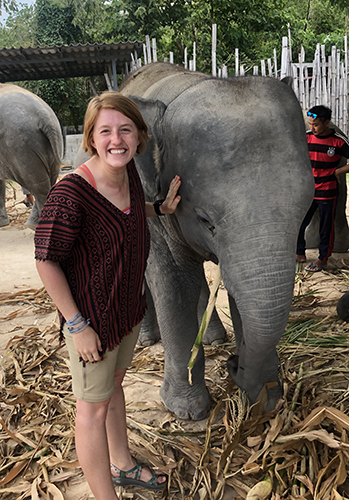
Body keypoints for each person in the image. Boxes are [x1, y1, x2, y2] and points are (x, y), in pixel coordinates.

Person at [34, 91, 181, 500]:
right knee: (91, 410)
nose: (116, 140)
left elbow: (128, 213)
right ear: (90, 139)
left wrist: (160, 208)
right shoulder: (71, 194)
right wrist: (77, 326)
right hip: (91, 324)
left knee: (114, 388)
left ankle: (124, 465)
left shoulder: (129, 173)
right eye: (105, 132)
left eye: (125, 130)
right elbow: (46, 260)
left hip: (127, 312)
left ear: (138, 137)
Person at [296, 105, 349, 272]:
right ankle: (299, 253)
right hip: (308, 191)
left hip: (327, 191)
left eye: (316, 124)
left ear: (327, 123)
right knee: (299, 223)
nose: (312, 128)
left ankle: (323, 258)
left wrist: (340, 171)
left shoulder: (339, 141)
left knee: (326, 227)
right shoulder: (306, 138)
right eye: (310, 124)